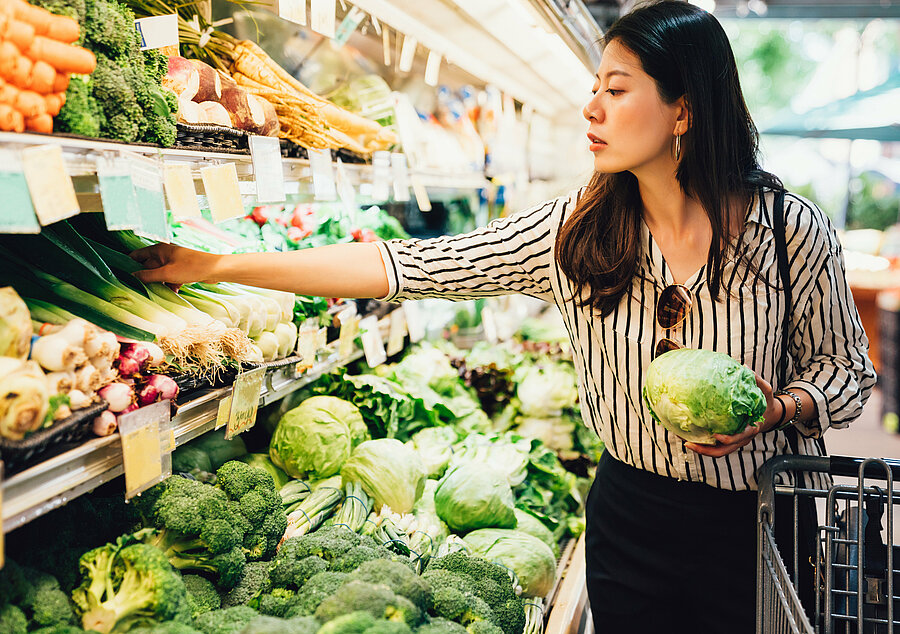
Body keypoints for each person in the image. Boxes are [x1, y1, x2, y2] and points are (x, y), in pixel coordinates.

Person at [132, 2, 876, 632]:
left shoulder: (787, 231)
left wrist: (778, 405)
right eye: (594, 88)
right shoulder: (575, 235)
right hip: (633, 517)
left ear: (683, 108)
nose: (591, 109)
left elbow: (846, 372)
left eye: (616, 90)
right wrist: (215, 266)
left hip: (758, 528)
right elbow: (406, 266)